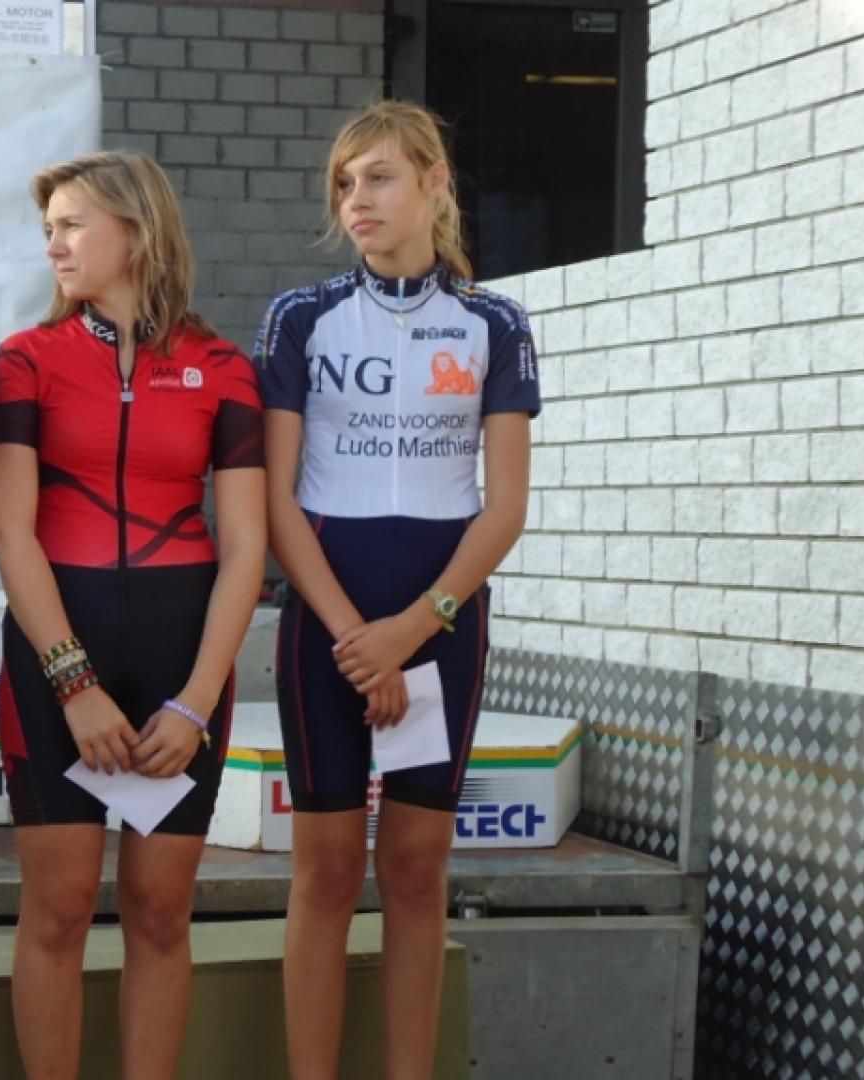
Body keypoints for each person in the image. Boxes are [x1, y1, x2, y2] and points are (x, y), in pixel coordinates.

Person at [252, 100, 538, 1080]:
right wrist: (357, 639)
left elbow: (505, 508)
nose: (357, 199)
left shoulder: (495, 322)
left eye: (377, 176)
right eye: (344, 183)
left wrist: (413, 630)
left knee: (415, 872)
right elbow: (278, 504)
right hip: (327, 626)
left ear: (434, 181)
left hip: (441, 625)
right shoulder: (300, 316)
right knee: (326, 873)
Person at [0, 150, 267, 1078]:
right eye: (49, 229)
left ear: (137, 232)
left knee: (159, 912)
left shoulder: (223, 368)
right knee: (58, 909)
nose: (54, 245)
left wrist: (196, 702)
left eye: (72, 225)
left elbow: (247, 549)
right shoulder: (25, 359)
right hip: (54, 659)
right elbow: (11, 531)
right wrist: (74, 683)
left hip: (182, 658)